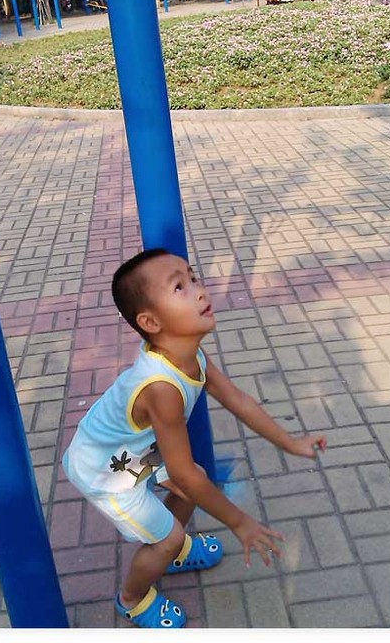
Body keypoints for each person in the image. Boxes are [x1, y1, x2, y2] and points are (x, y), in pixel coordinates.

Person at [62, 248, 327, 629]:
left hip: (129, 452)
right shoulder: (161, 388)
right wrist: (240, 523)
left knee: (193, 482)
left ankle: (175, 549)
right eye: (179, 287)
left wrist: (291, 443)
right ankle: (132, 598)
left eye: (194, 277)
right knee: (169, 532)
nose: (200, 290)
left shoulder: (191, 356)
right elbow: (182, 475)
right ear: (151, 321)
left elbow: (238, 400)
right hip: (103, 472)